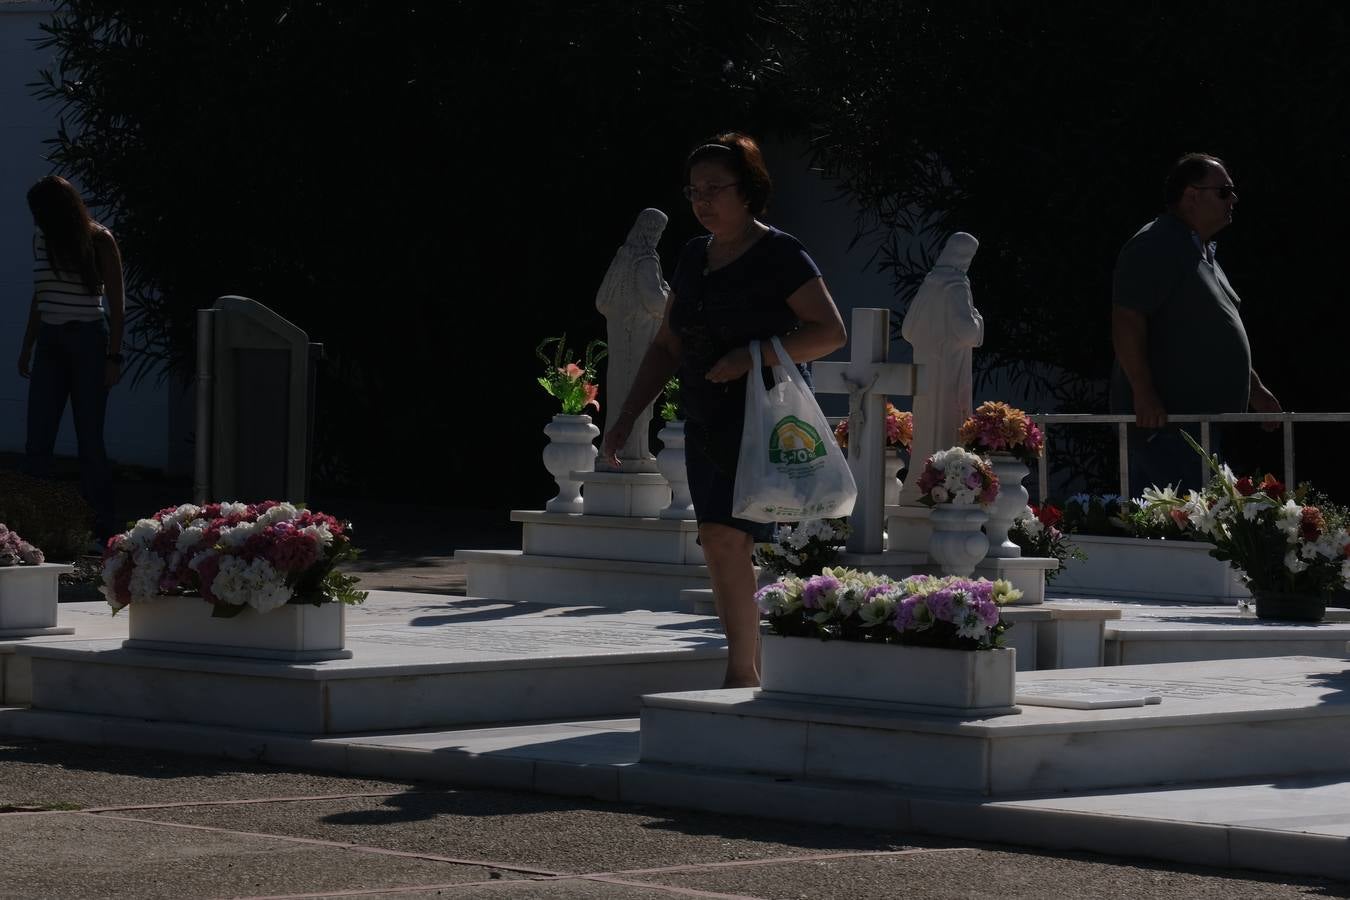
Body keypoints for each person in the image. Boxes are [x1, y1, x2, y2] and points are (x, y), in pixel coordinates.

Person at [600, 133, 847, 688]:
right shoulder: (692, 255)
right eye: (695, 191)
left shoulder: (781, 253)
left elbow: (829, 332)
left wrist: (751, 355)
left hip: (764, 418)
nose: (704, 201)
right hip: (708, 418)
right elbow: (668, 345)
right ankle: (746, 668)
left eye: (716, 188)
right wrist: (625, 419)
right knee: (718, 540)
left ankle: (743, 671)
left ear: (749, 190)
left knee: (728, 538)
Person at [1109, 153, 1281, 494]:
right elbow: (1127, 319)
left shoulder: (1201, 251)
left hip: (1195, 429)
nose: (1233, 198)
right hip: (1166, 427)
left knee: (1200, 531)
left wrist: (1256, 391)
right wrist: (1143, 393)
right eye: (1224, 191)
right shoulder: (1156, 243)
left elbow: (1212, 331)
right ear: (1191, 195)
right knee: (1176, 535)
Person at [16, 175, 126, 545]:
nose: (36, 219)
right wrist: (29, 343)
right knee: (38, 439)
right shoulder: (42, 238)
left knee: (89, 439)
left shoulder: (98, 239)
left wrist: (114, 356)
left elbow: (116, 304)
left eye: (41, 212)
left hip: (88, 342)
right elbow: (40, 293)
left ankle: (103, 526)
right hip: (51, 340)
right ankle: (34, 525)